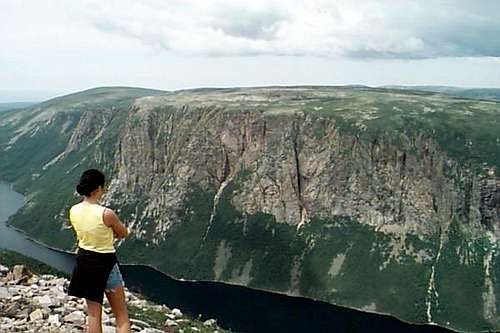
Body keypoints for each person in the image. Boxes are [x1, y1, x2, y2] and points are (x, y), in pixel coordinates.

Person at [67, 169, 131, 333]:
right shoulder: (106, 213)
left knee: (93, 315)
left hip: (84, 262)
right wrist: (113, 232)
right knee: (121, 315)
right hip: (105, 263)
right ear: (98, 189)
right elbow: (123, 233)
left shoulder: (74, 210)